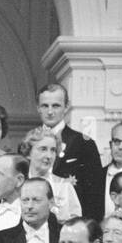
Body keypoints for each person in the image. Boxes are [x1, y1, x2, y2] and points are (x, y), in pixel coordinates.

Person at [36, 84, 105, 219]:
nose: (50, 112)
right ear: (38, 108)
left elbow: (95, 193)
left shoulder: (84, 143)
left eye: (56, 106)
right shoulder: (30, 143)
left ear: (66, 107)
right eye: (45, 106)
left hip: (72, 220)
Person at [19, 126, 82, 221]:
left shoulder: (64, 186)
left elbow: (76, 221)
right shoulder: (18, 185)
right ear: (28, 153)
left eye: (52, 150)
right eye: (43, 149)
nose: (49, 156)